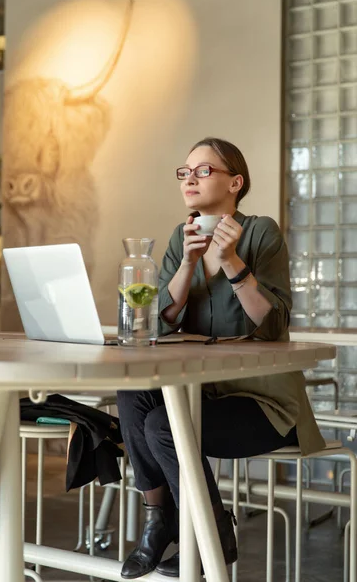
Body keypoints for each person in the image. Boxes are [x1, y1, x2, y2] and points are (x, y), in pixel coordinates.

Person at [117, 137, 325, 579]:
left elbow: (272, 326)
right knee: (134, 390)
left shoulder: (261, 232)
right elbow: (156, 326)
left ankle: (213, 533)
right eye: (185, 171)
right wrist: (187, 266)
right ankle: (160, 521)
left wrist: (231, 262)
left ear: (236, 182)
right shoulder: (182, 235)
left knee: (163, 425)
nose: (189, 178)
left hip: (264, 404)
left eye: (203, 170)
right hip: (203, 395)